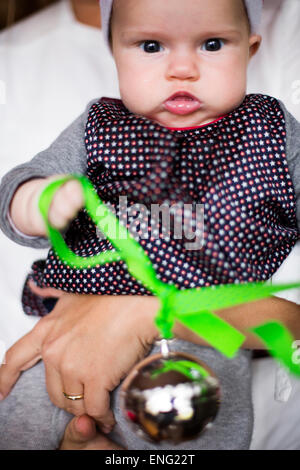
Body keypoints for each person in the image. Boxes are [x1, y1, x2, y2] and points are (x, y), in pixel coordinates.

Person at [0, 0, 300, 450]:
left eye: (212, 44)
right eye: (151, 46)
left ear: (250, 49)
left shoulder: (269, 132)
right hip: (63, 351)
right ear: (114, 52)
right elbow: (20, 185)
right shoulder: (99, 127)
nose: (183, 68)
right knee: (24, 425)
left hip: (201, 354)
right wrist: (39, 200)